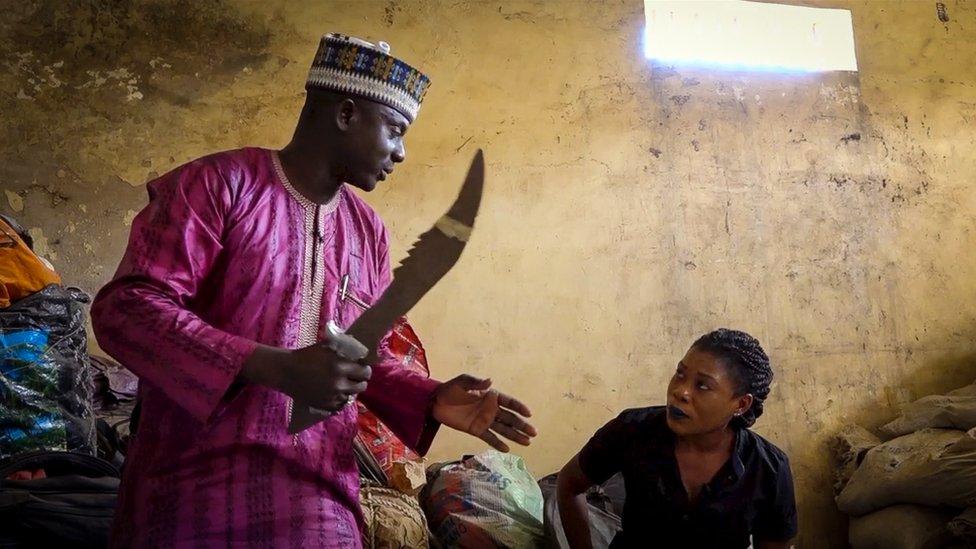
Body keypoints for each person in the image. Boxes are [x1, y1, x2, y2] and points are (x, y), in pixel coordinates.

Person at [91, 33, 536, 548]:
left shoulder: (367, 230)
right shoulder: (216, 185)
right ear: (346, 113)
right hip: (190, 475)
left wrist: (430, 396)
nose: (402, 152)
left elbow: (357, 358)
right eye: (394, 130)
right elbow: (127, 310)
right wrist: (270, 365)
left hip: (317, 485)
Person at [556, 329, 796, 548]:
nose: (680, 391)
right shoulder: (633, 430)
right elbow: (570, 484)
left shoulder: (768, 468)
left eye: (702, 386)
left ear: (741, 404)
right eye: (680, 374)